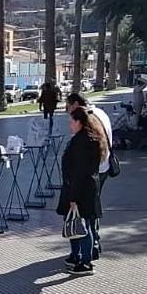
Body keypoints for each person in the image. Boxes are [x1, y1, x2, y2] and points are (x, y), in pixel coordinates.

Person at [58, 108, 108, 276]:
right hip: (86, 188)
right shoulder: (90, 138)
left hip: (80, 190)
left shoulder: (81, 142)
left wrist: (73, 197)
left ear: (79, 122)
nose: (70, 125)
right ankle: (79, 257)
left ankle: (85, 262)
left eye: (71, 121)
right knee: (82, 224)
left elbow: (78, 171)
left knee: (82, 226)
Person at [65, 93, 112, 260]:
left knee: (87, 215)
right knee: (91, 211)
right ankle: (92, 245)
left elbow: (80, 162)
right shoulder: (101, 113)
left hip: (92, 172)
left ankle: (89, 249)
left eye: (69, 108)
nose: (68, 113)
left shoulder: (88, 121)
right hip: (101, 167)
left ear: (76, 105)